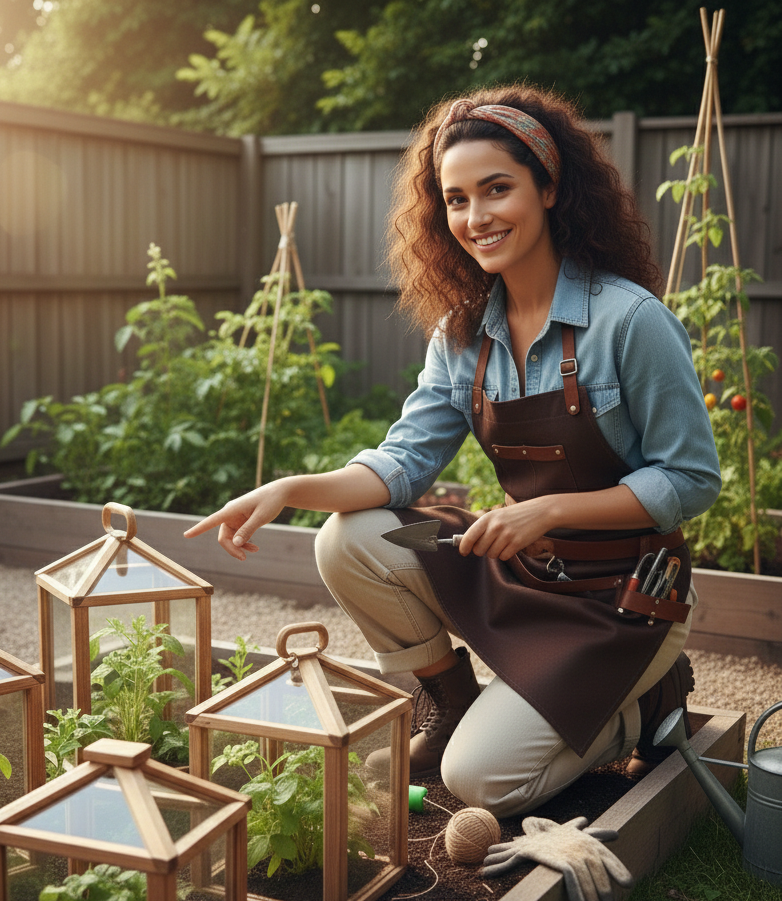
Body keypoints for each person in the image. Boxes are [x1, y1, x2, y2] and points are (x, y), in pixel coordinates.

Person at [183, 85, 721, 818]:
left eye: (497, 189)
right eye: (456, 199)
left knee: (483, 785)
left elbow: (691, 479)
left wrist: (551, 510)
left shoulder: (631, 322)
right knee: (355, 536)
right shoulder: (462, 337)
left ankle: (641, 704)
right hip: (525, 573)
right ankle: (451, 699)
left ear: (551, 187)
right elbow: (401, 465)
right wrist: (289, 487)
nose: (476, 217)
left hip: (626, 598)